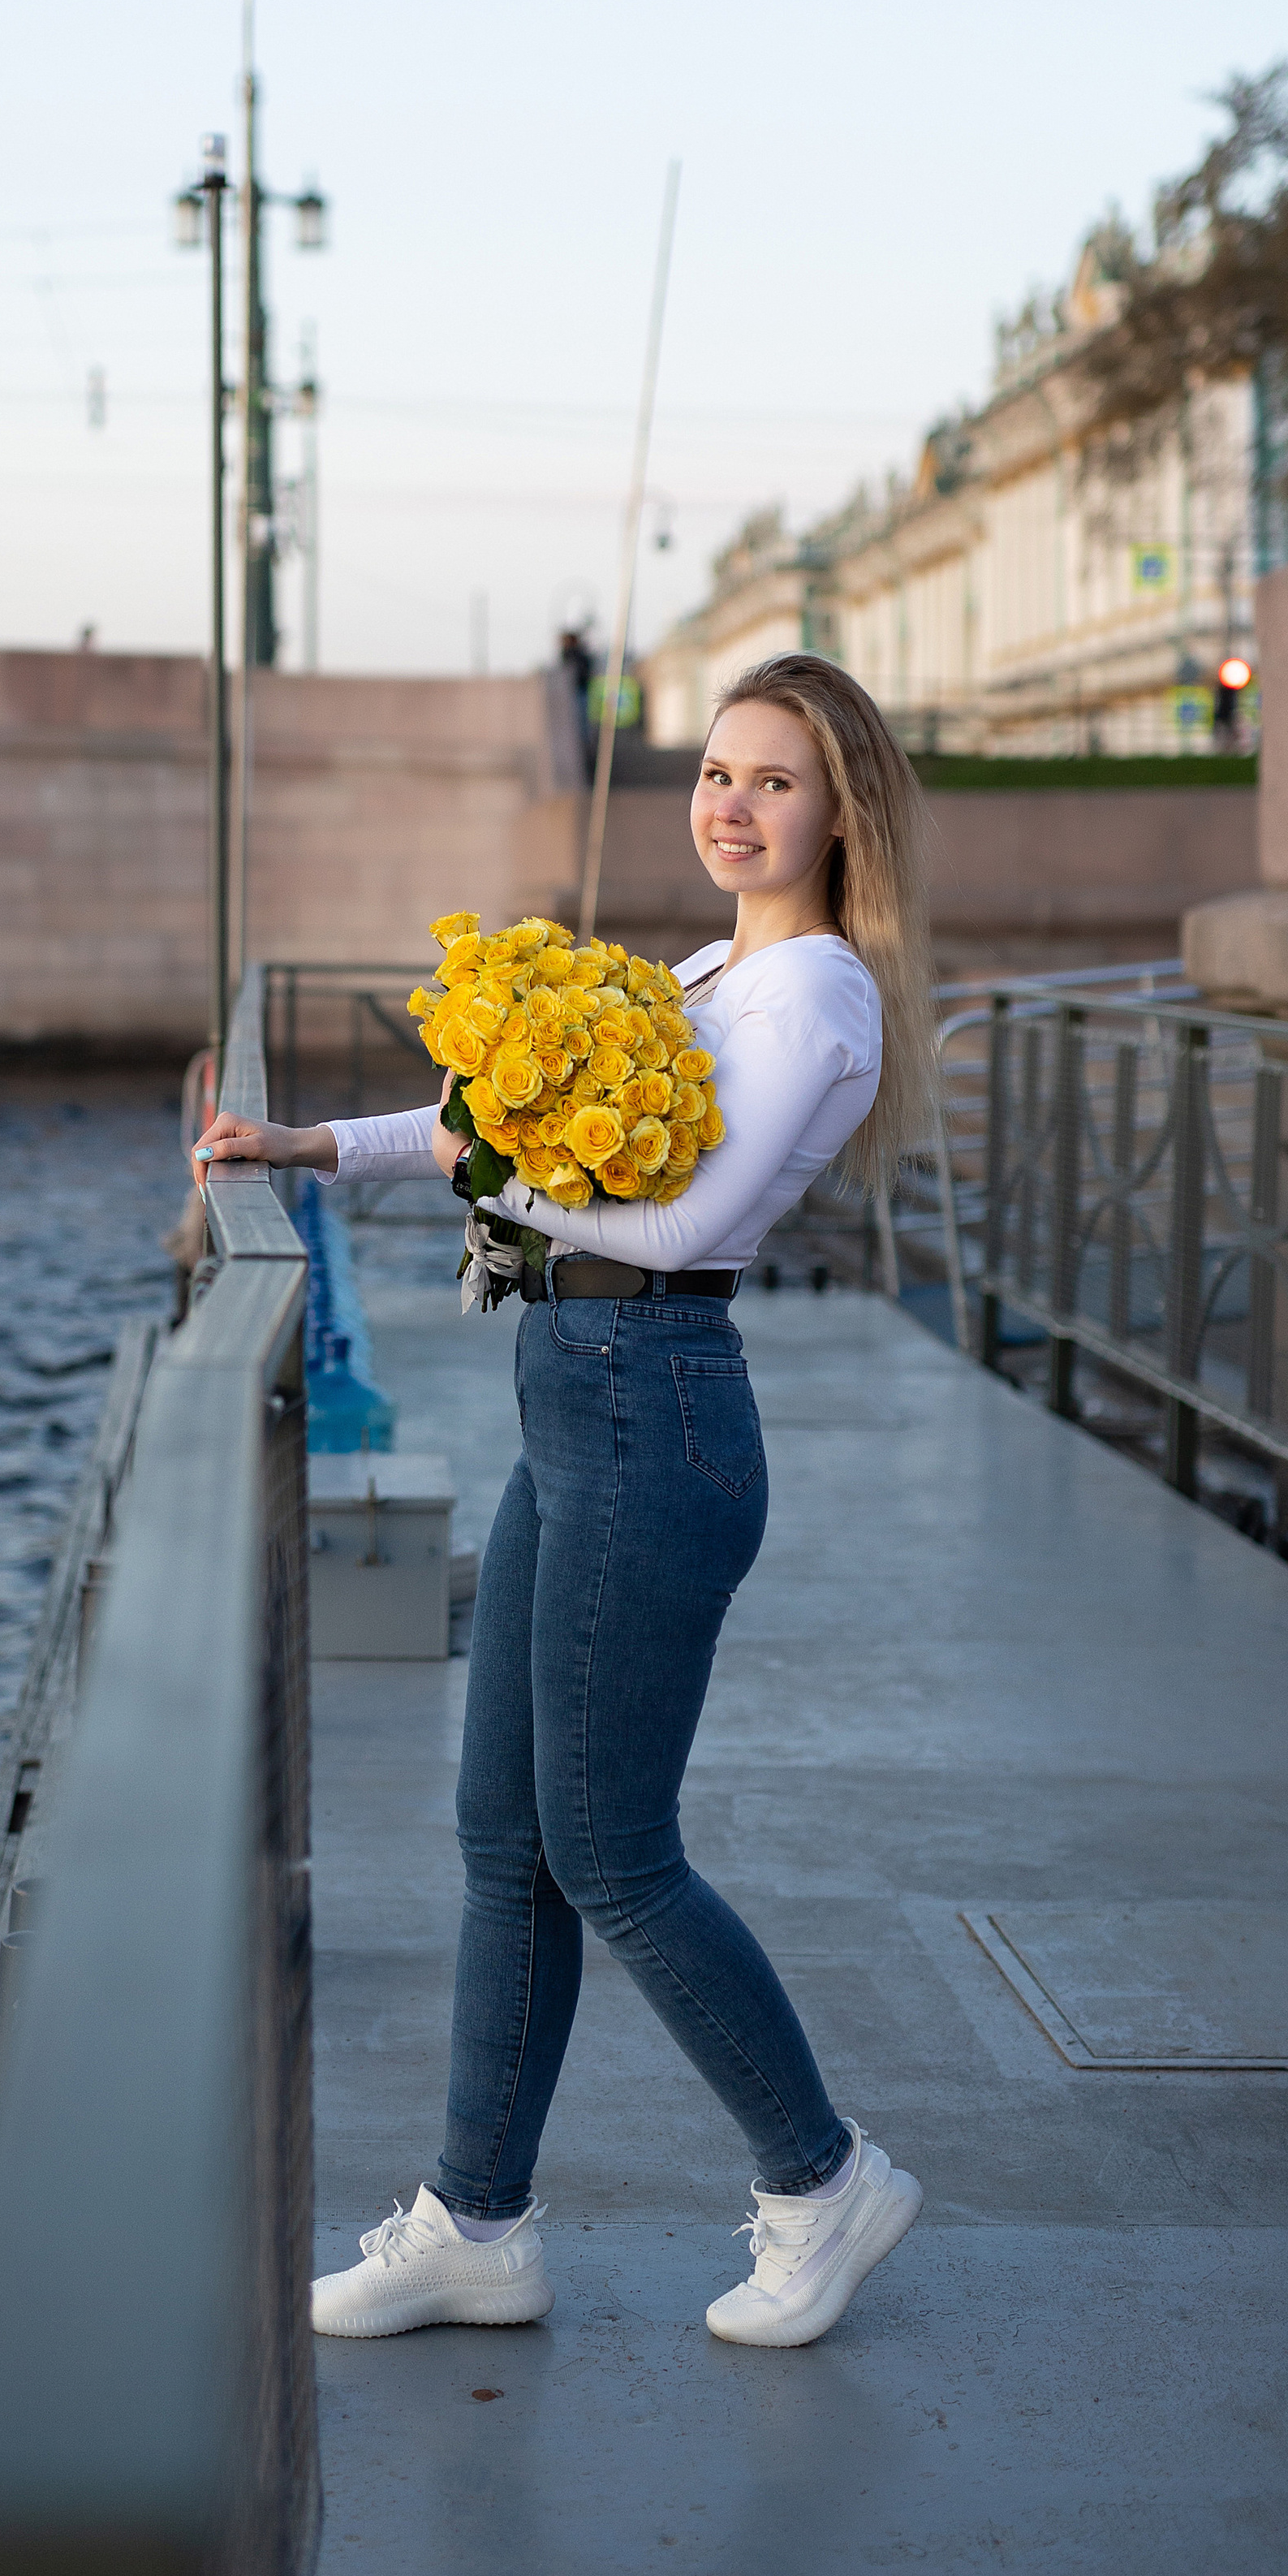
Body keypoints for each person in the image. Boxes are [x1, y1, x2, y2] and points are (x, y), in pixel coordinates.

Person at [194, 650, 937, 2350]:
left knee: (610, 1849)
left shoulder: (813, 996)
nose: (732, 807)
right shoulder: (698, 969)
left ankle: (821, 2183)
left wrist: (497, 1175)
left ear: (839, 813)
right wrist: (309, 1147)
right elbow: (486, 1119)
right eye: (716, 776)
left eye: (775, 782)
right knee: (500, 1841)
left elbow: (673, 1230)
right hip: (577, 1401)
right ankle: (475, 2225)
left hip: (655, 1401)